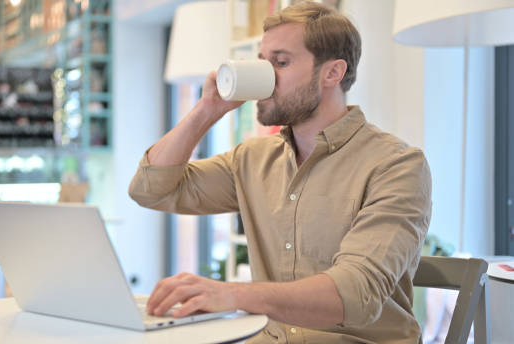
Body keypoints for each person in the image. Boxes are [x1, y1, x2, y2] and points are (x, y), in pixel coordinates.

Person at [128, 1, 432, 343]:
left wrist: (233, 295)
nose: (266, 76)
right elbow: (150, 189)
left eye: (281, 62)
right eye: (262, 62)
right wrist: (206, 110)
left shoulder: (395, 165)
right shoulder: (252, 160)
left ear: (332, 73)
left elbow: (356, 293)